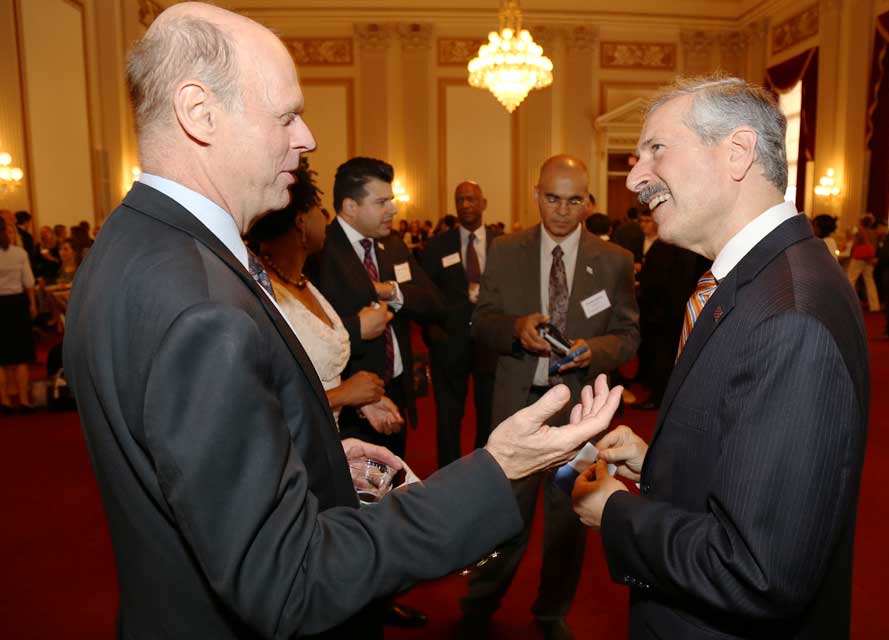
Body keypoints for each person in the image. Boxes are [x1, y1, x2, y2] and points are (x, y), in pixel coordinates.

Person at [62, 4, 625, 638]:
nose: (307, 138)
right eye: (286, 116)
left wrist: (315, 457)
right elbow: (290, 582)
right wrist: (498, 468)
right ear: (199, 112)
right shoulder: (202, 307)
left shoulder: (130, 245)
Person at [572, 77, 870, 640]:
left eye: (657, 149)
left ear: (737, 152)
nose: (635, 177)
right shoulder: (760, 277)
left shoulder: (789, 315)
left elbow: (758, 572)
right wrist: (658, 464)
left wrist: (615, 512)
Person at [464, 155, 640, 639]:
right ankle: (478, 606)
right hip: (518, 412)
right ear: (536, 194)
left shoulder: (615, 261)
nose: (562, 210)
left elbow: (628, 335)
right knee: (502, 515)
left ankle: (551, 612)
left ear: (588, 202)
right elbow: (481, 322)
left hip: (578, 418)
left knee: (568, 520)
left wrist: (595, 350)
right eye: (553, 198)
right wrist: (515, 328)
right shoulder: (506, 250)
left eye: (574, 200)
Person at [245, 158, 402, 431]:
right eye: (319, 208)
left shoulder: (302, 283)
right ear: (302, 222)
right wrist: (343, 394)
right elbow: (261, 404)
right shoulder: (266, 291)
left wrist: (358, 399)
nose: (325, 217)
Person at [304, 157, 443, 460]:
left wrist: (393, 291)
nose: (392, 209)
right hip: (351, 405)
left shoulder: (393, 246)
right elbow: (306, 336)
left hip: (397, 389)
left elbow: (434, 303)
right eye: (381, 202)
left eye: (391, 200)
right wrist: (357, 328)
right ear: (350, 206)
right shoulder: (319, 252)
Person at [421, 181, 501, 467]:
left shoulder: (503, 245)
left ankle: (484, 469)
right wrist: (434, 336)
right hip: (449, 342)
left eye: (471, 199)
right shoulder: (437, 246)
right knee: (448, 416)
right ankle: (449, 474)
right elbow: (426, 292)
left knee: (489, 414)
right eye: (460, 200)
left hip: (490, 344)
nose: (465, 204)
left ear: (483, 203)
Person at [632, 208, 704, 410]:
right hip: (677, 310)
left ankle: (658, 397)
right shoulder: (690, 243)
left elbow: (655, 280)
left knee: (662, 356)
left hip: (663, 312)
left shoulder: (668, 245)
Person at [0, 216, 37, 412]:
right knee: (22, 355)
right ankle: (23, 399)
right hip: (17, 304)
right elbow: (29, 282)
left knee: (1, 357)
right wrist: (32, 304)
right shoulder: (19, 253)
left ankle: (5, 399)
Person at [847, 214, 880, 311]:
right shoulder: (874, 232)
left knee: (850, 279)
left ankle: (849, 304)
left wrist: (851, 254)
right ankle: (875, 306)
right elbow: (875, 246)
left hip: (858, 258)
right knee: (870, 282)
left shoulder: (859, 230)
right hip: (869, 258)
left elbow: (854, 243)